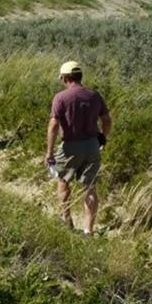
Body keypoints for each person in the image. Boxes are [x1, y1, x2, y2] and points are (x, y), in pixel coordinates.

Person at [44, 61, 112, 236]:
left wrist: (50, 152)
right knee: (90, 187)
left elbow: (53, 125)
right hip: (92, 145)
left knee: (63, 181)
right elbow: (106, 120)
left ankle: (67, 221)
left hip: (70, 146)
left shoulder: (61, 97)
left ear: (65, 78)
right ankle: (88, 230)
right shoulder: (94, 95)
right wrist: (103, 138)